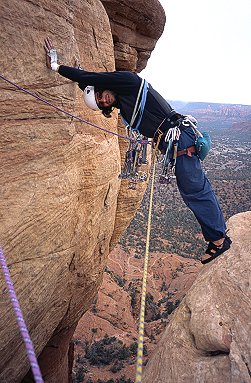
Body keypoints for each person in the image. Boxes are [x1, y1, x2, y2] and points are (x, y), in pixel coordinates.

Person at [44, 37, 232, 264]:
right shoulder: (123, 102)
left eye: (100, 94)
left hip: (180, 139)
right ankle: (218, 233)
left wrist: (57, 66)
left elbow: (90, 79)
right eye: (101, 103)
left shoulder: (129, 82)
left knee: (194, 190)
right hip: (176, 141)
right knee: (195, 188)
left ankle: (218, 240)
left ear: (106, 87)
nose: (103, 100)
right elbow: (88, 83)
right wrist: (84, 82)